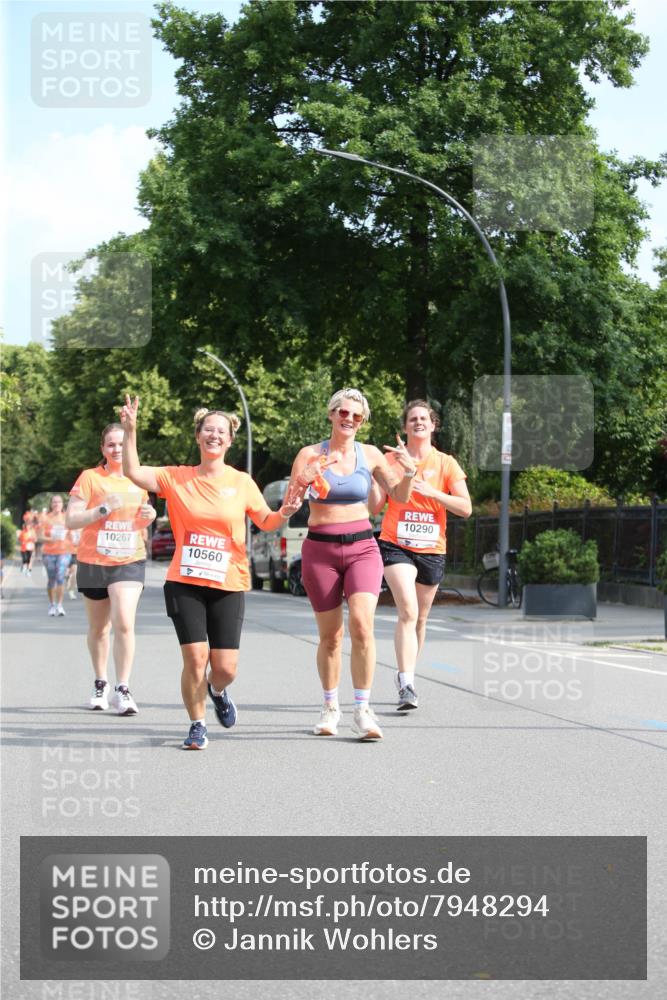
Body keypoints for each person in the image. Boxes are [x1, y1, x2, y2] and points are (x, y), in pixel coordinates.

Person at [119, 395, 302, 750]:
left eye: (221, 432)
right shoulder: (176, 477)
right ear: (198, 437)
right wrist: (130, 431)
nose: (214, 435)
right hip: (185, 582)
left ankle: (218, 691)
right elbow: (133, 471)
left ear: (230, 440)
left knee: (225, 667)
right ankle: (197, 724)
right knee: (195, 658)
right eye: (208, 430)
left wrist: (285, 513)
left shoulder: (242, 481)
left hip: (228, 582)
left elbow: (265, 521)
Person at [287, 387, 417, 742]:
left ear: (363, 421)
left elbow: (399, 496)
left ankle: (363, 709)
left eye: (357, 416)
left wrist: (408, 472)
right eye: (343, 413)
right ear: (331, 414)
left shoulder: (371, 454)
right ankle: (330, 707)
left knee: (362, 626)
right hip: (320, 550)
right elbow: (290, 504)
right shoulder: (310, 454)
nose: (349, 420)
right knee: (331, 636)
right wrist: (303, 478)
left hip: (362, 547)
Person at [371, 399, 472, 710]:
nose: (418, 423)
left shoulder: (446, 463)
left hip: (431, 548)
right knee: (408, 611)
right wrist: (376, 480)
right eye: (412, 419)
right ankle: (407, 683)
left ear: (433, 425)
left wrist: (434, 493)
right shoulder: (391, 459)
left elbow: (466, 508)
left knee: (421, 618)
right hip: (395, 543)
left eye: (423, 419)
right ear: (405, 427)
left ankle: (409, 674)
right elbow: (376, 506)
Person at [65, 423, 156, 715]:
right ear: (103, 449)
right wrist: (102, 509)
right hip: (93, 560)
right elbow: (71, 520)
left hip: (129, 560)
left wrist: (150, 515)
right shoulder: (90, 478)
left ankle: (123, 688)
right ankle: (100, 682)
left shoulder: (138, 478)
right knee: (99, 628)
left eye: (122, 443)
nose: (117, 449)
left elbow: (140, 522)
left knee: (124, 623)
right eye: (111, 445)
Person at [40, 495, 72, 616]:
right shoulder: (45, 519)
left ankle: (60, 605)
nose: (57, 504)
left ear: (62, 504)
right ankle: (52, 604)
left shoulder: (67, 518)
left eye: (59, 502)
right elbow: (39, 537)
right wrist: (51, 538)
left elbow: (73, 534)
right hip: (49, 552)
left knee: (60, 577)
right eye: (54, 502)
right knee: (51, 579)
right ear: (51, 504)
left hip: (64, 552)